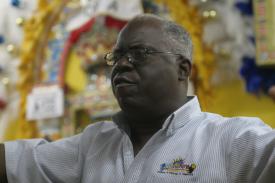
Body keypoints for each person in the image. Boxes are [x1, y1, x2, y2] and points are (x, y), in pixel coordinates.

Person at [0, 14, 275, 183]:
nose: (121, 65)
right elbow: (16, 163)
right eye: (116, 57)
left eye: (140, 53)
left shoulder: (232, 140)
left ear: (182, 69)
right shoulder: (93, 143)